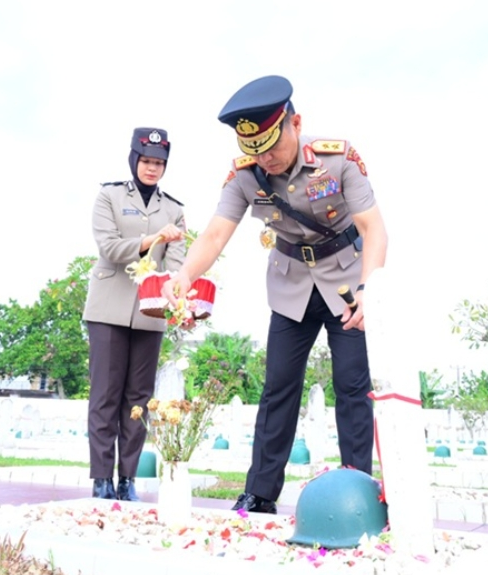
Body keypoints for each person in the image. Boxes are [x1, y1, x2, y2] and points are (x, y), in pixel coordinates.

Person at [162, 75, 388, 514]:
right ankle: (260, 493)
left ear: (295, 124)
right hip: (291, 286)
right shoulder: (245, 175)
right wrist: (185, 274)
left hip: (347, 284)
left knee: (351, 385)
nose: (266, 158)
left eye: (272, 146)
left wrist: (369, 290)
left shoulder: (338, 159)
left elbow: (373, 228)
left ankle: (356, 492)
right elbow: (215, 234)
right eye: (255, 149)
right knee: (278, 387)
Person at [83, 127, 186, 501]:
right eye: (146, 161)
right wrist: (152, 239)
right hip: (108, 307)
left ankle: (127, 479)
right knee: (105, 395)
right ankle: (101, 479)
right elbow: (109, 247)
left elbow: (176, 264)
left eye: (159, 163)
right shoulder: (109, 196)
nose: (152, 168)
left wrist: (180, 300)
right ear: (134, 160)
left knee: (139, 398)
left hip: (150, 310)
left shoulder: (174, 209)